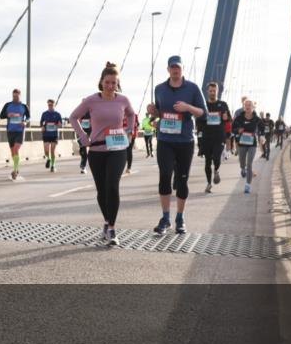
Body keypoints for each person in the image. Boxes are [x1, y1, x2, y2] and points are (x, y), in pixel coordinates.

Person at [69, 63, 135, 246]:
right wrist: (83, 136)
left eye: (114, 83)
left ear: (117, 83)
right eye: (107, 82)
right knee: (102, 190)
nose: (110, 86)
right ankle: (107, 220)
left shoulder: (123, 100)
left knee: (112, 186)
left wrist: (129, 131)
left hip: (117, 150)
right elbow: (73, 117)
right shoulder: (91, 100)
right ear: (101, 82)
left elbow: (132, 114)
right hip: (96, 151)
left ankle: (112, 228)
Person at [147, 56, 206, 235]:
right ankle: (165, 218)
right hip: (165, 140)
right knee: (165, 176)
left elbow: (204, 113)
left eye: (178, 68)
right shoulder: (159, 89)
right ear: (168, 70)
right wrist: (153, 112)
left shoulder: (193, 88)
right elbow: (158, 113)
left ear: (182, 69)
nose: (175, 70)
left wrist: (188, 107)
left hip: (185, 141)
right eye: (172, 68)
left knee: (182, 179)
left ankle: (180, 218)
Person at [198, 81, 231, 193]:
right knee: (207, 161)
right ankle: (208, 183)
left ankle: (216, 170)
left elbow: (229, 119)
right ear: (207, 92)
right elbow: (199, 120)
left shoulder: (223, 105)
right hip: (207, 137)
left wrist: (226, 118)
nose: (212, 93)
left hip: (219, 136)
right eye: (210, 91)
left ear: (218, 91)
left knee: (216, 157)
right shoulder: (204, 105)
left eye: (214, 91)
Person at [232, 99, 266, 194]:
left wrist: (262, 137)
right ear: (244, 107)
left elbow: (262, 128)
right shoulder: (239, 118)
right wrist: (237, 130)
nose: (247, 107)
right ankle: (243, 168)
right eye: (246, 105)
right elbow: (233, 128)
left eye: (249, 105)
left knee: (250, 164)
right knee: (242, 163)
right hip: (242, 143)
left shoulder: (256, 119)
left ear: (253, 107)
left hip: (252, 144)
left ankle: (248, 185)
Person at [0, 89, 30, 180]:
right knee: (13, 152)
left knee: (16, 149)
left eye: (17, 96)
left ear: (20, 96)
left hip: (20, 131)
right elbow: (1, 116)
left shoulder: (24, 106)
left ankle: (15, 170)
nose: (15, 98)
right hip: (10, 131)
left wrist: (25, 122)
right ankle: (16, 167)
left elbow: (28, 117)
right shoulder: (8, 105)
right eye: (14, 96)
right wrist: (8, 115)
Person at [39, 99, 63, 173]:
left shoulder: (58, 114)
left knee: (52, 151)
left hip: (54, 135)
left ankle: (53, 165)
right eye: (49, 105)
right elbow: (41, 122)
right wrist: (42, 126)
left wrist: (59, 125)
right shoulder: (44, 114)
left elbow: (61, 124)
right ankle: (48, 159)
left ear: (54, 105)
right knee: (46, 151)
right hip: (46, 134)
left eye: (51, 105)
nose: (50, 106)